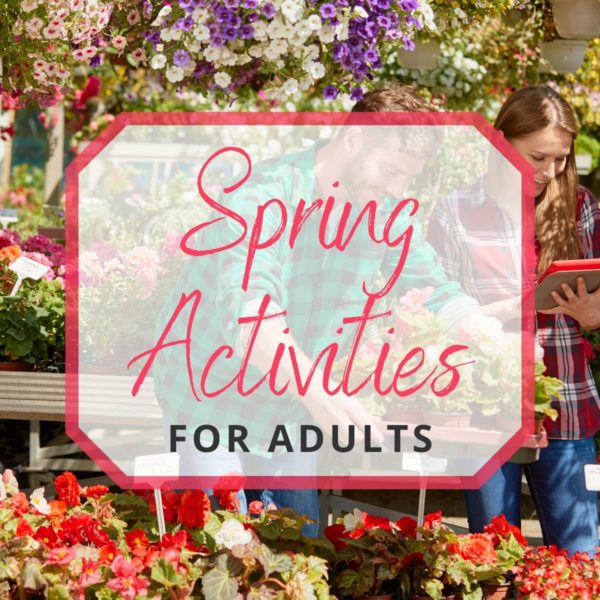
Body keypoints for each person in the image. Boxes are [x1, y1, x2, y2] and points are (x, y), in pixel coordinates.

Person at [150, 86, 485, 536]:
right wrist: (322, 394)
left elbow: (437, 289)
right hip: (211, 400)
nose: (396, 189)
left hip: (290, 402)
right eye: (389, 170)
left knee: (299, 548)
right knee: (219, 545)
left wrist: (496, 340)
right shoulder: (263, 197)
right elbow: (251, 318)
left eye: (407, 178)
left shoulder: (385, 210)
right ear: (352, 142)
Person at [427, 85, 600, 555]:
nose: (550, 171)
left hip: (568, 403)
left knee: (581, 557)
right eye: (537, 156)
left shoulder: (580, 208)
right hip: (486, 410)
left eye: (561, 158)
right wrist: (523, 306)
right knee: (492, 560)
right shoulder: (454, 213)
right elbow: (438, 318)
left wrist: (592, 315)